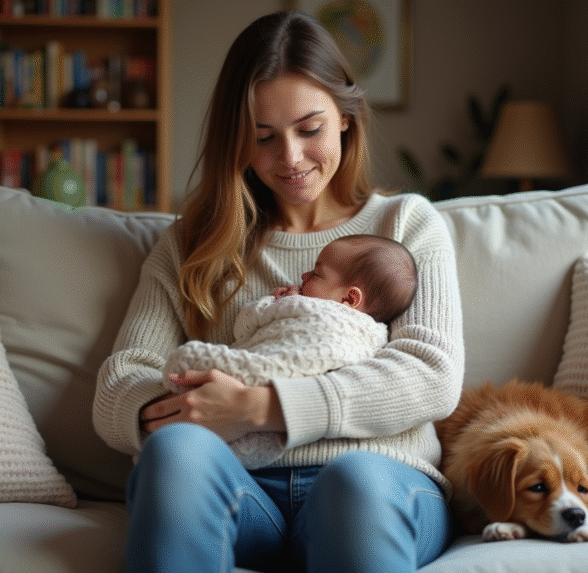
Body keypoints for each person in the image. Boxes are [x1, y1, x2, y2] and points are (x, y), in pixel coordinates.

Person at [93, 10, 465, 573]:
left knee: (355, 485)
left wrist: (260, 408)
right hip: (244, 491)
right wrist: (186, 410)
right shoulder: (194, 244)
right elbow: (120, 381)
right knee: (175, 452)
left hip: (377, 479)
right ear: (236, 142)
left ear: (345, 118)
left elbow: (431, 374)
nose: (289, 158)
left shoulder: (405, 225)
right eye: (263, 137)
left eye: (309, 129)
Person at [162, 234, 418, 470]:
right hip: (290, 437)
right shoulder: (375, 335)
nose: (304, 275)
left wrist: (277, 303)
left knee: (189, 363)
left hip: (275, 393)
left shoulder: (309, 310)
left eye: (316, 274)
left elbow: (245, 327)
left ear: (349, 299)